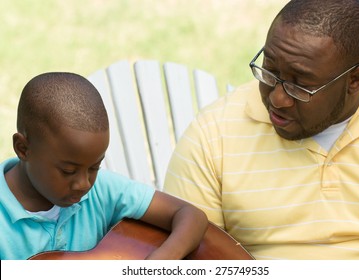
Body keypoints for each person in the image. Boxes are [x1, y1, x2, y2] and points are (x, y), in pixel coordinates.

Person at [164, 0, 359, 260]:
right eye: (270, 71)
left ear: (356, 79)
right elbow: (188, 261)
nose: (277, 99)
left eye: (300, 86)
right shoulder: (213, 134)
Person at [0, 72, 208, 260]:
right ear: (23, 149)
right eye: (68, 171)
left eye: (95, 167)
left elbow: (189, 215)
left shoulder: (101, 191)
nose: (84, 184)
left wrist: (161, 261)